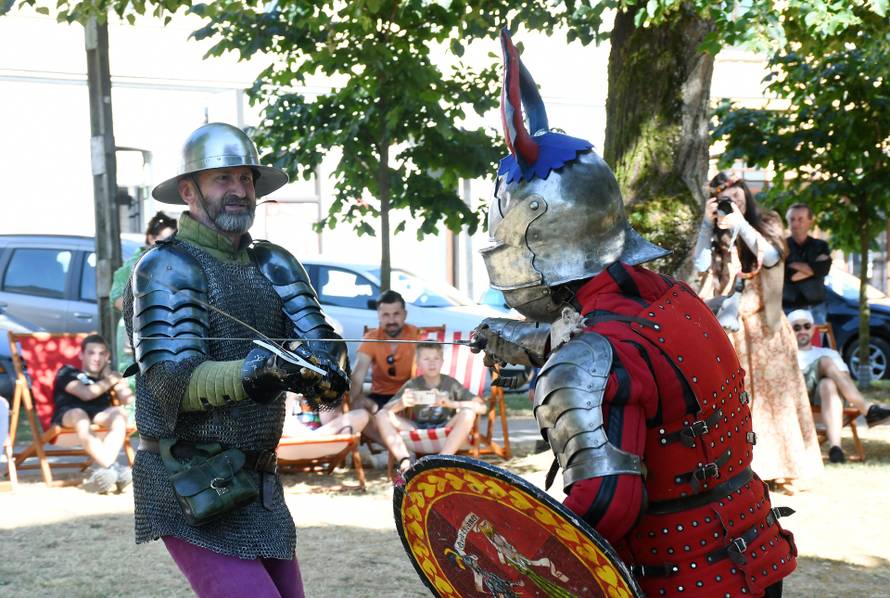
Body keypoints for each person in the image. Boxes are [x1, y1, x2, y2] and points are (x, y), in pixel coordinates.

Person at [470, 30, 796, 597]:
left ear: (538, 239)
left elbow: (607, 503)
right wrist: (535, 343)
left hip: (679, 578)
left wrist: (520, 563)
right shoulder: (671, 298)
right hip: (749, 552)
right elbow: (637, 367)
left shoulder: (590, 358)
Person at [122, 122, 349, 597]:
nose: (238, 191)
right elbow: (170, 383)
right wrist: (260, 372)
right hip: (190, 479)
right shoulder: (165, 266)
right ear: (189, 191)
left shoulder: (273, 263)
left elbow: (320, 346)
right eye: (222, 179)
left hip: (259, 482)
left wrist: (326, 369)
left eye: (245, 179)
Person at [692, 172, 823, 493]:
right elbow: (698, 266)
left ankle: (786, 469)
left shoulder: (766, 222)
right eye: (726, 200)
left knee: (776, 401)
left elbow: (773, 257)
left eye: (737, 198)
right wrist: (708, 225)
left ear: (747, 198)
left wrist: (740, 223)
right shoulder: (716, 234)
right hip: (731, 331)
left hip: (767, 330)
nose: (732, 204)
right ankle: (746, 467)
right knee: (742, 402)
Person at [788, 309, 890, 463]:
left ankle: (835, 449)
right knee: (826, 362)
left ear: (814, 328)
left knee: (828, 384)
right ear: (789, 331)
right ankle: (868, 409)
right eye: (796, 328)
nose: (802, 331)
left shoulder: (828, 352)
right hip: (799, 395)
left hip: (825, 401)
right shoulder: (786, 354)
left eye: (806, 326)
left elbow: (844, 379)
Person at [375, 343, 485, 474]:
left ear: (442, 362)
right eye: (426, 359)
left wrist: (451, 404)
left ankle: (442, 460)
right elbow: (386, 409)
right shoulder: (412, 384)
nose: (431, 363)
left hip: (446, 426)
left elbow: (482, 407)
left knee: (468, 413)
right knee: (381, 414)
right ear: (418, 363)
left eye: (436, 358)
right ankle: (405, 459)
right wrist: (401, 403)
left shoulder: (451, 384)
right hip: (417, 427)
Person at [51, 333, 134, 494]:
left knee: (119, 413)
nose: (97, 358)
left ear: (107, 356)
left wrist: (116, 378)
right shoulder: (67, 372)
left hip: (98, 414)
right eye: (91, 353)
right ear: (81, 354)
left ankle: (105, 472)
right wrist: (111, 380)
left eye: (102, 354)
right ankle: (112, 467)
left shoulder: (107, 377)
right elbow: (86, 394)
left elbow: (128, 399)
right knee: (79, 414)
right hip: (69, 414)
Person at [110, 212, 178, 374]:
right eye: (164, 238)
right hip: (135, 326)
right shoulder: (132, 265)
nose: (168, 243)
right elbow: (116, 299)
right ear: (150, 238)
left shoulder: (174, 262)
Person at [349, 290, 421, 413]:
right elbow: (357, 376)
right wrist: (353, 402)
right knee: (360, 405)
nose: (391, 320)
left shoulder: (417, 336)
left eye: (396, 314)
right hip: (379, 399)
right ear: (378, 315)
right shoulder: (371, 338)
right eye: (386, 315)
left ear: (405, 314)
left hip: (409, 398)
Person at [783, 204, 831, 324]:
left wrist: (793, 264)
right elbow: (788, 275)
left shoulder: (821, 246)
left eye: (800, 219)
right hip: (788, 307)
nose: (795, 223)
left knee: (817, 341)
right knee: (790, 343)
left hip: (816, 307)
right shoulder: (781, 246)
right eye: (792, 219)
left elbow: (823, 270)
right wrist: (813, 269)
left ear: (810, 221)